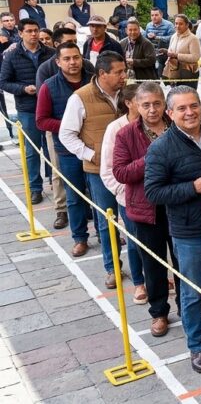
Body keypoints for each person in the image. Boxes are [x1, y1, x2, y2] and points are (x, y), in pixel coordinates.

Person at [144, 85, 201, 373]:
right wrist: (191, 188)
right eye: (181, 108)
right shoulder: (161, 148)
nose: (189, 112)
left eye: (193, 105)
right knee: (192, 293)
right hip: (188, 233)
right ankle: (197, 346)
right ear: (170, 113)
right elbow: (153, 192)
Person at [113, 81, 181, 336]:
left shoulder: (178, 126)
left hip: (179, 205)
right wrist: (151, 157)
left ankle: (188, 306)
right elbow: (121, 172)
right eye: (146, 105)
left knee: (184, 262)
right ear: (136, 106)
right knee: (153, 265)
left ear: (165, 104)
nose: (152, 110)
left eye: (157, 103)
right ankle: (159, 312)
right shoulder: (126, 134)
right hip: (146, 210)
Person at [60, 51, 127, 287]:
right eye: (118, 72)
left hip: (130, 168)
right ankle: (112, 267)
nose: (124, 76)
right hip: (98, 171)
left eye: (125, 71)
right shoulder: (80, 98)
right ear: (102, 74)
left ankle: (144, 271)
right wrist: (91, 155)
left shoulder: (128, 94)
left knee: (135, 220)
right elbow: (66, 134)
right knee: (106, 219)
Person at [36, 41, 93, 254]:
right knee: (74, 196)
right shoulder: (49, 86)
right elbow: (41, 121)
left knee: (101, 196)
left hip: (95, 149)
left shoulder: (94, 80)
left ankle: (107, 234)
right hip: (67, 151)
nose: (72, 62)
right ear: (58, 62)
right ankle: (80, 238)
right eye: (67, 59)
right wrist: (70, 125)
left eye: (76, 57)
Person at [100, 83, 147, 303]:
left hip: (157, 195)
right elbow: (108, 169)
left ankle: (158, 277)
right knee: (135, 242)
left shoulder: (156, 123)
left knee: (159, 242)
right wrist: (124, 191)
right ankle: (139, 283)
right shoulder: (116, 128)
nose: (149, 107)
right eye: (142, 101)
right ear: (129, 103)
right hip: (130, 198)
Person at [0, 19, 54, 204]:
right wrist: (23, 89)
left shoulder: (50, 53)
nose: (33, 34)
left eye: (36, 30)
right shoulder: (12, 55)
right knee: (32, 150)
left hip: (51, 107)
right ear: (20, 33)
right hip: (27, 108)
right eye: (29, 31)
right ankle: (35, 188)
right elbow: (3, 82)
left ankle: (53, 180)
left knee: (52, 147)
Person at [163, 14, 201, 86]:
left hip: (188, 73)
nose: (177, 26)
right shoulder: (173, 36)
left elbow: (196, 57)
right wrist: (167, 53)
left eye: (181, 24)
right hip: (174, 72)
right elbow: (170, 51)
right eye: (176, 23)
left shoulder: (193, 38)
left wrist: (177, 55)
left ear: (187, 25)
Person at [145, 8, 174, 78]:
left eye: (156, 15)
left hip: (165, 53)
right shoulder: (148, 25)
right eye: (152, 15)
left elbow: (172, 38)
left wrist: (157, 37)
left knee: (164, 76)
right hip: (152, 53)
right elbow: (145, 39)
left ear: (161, 15)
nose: (154, 17)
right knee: (153, 75)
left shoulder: (169, 25)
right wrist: (148, 37)